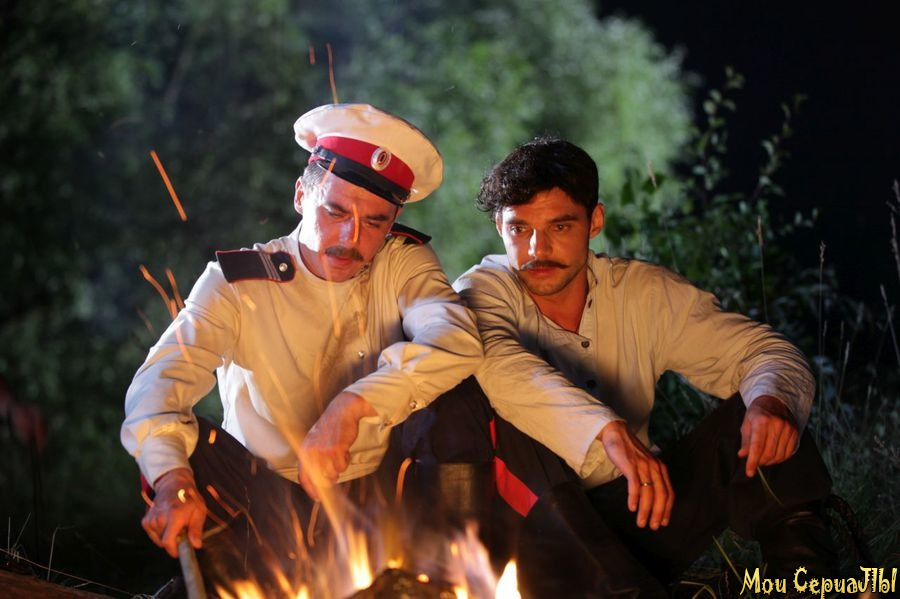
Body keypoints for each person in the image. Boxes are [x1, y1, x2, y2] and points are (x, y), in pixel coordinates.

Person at [445, 137, 838, 596]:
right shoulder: (482, 291)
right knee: (490, 410)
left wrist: (770, 401)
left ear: (594, 221)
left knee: (763, 414)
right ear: (499, 226)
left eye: (560, 226)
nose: (537, 248)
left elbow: (764, 352)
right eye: (519, 228)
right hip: (536, 543)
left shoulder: (641, 293)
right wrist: (605, 430)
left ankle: (807, 584)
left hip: (640, 510)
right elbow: (498, 363)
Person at [121, 103, 483, 593]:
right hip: (258, 497)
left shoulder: (402, 261)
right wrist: (170, 480)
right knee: (188, 445)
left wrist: (351, 407)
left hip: (370, 493)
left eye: (375, 222)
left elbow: (456, 339)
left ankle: (457, 574)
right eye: (335, 211)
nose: (351, 239)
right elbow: (159, 384)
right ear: (300, 195)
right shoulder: (236, 283)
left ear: (394, 221)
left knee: (460, 399)